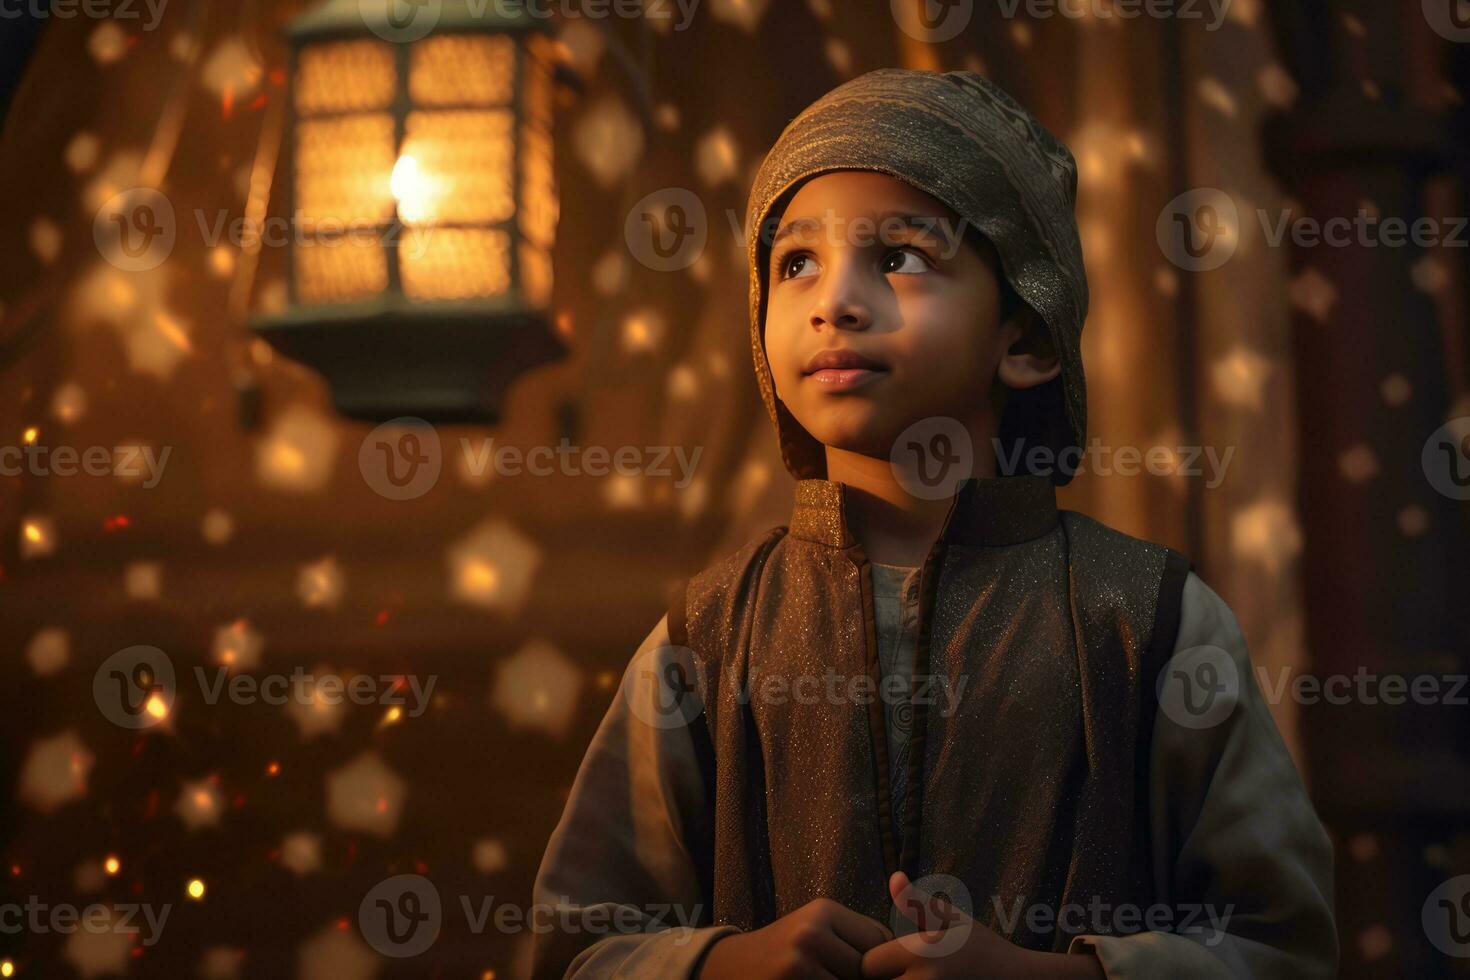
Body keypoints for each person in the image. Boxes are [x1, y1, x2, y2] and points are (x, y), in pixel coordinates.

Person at [530, 68, 1338, 979]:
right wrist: (722, 965)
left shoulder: (1148, 621)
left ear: (1026, 337)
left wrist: (1053, 977)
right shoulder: (708, 635)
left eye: (901, 257)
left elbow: (1285, 945)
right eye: (796, 263)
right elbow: (575, 949)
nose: (834, 300)